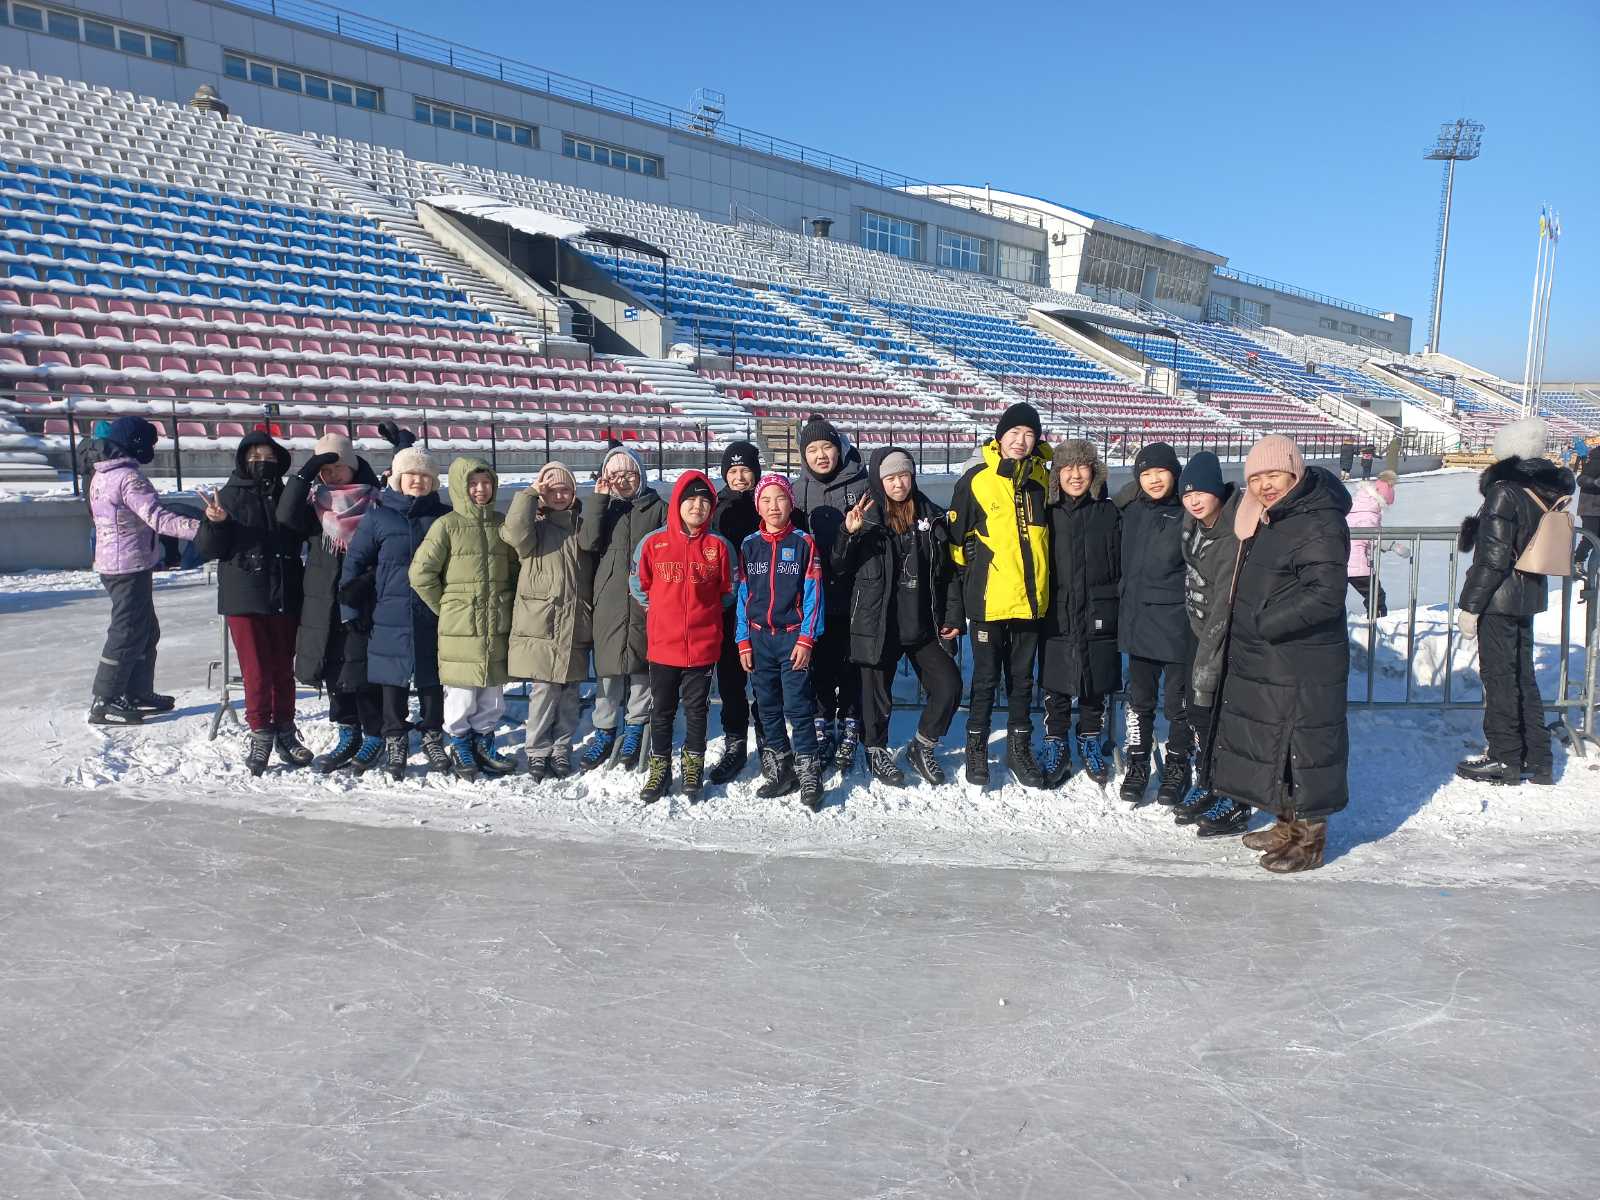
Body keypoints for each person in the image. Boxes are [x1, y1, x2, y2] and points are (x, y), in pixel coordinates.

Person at [1211, 435, 1352, 873]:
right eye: (1256, 478)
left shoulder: (1318, 520)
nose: (1265, 486)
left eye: (1273, 475)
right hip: (1275, 657)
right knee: (1278, 744)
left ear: (1295, 472)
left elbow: (1326, 594)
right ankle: (1285, 825)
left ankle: (1309, 842)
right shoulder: (1272, 518)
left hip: (1301, 658)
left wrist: (1265, 622)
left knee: (1302, 747)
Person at [1454, 418, 1574, 787]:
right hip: (1530, 593)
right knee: (1523, 676)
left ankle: (1504, 757)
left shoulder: (1505, 491)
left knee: (1500, 679)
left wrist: (1470, 606)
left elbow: (1493, 558)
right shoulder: (1546, 488)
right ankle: (1538, 759)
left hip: (1500, 598)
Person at [833, 446, 963, 787]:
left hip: (922, 625)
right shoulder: (865, 517)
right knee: (876, 697)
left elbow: (947, 573)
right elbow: (839, 567)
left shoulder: (931, 515)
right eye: (890, 477)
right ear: (879, 479)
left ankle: (922, 745)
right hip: (879, 625)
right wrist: (849, 533)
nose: (898, 483)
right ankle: (875, 749)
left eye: (903, 475)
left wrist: (952, 615)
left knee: (949, 685)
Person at [947, 402, 1051, 787]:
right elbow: (955, 543)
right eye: (1014, 434)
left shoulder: (1043, 480)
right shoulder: (977, 479)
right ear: (1000, 437)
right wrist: (971, 564)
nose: (1021, 441)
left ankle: (1018, 748)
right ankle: (976, 748)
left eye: (1029, 435)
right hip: (990, 599)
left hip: (1031, 600)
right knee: (986, 678)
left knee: (1022, 679)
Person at [195, 429, 310, 776]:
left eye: (269, 458)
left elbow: (305, 532)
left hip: (287, 591)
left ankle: (286, 731)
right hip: (245, 596)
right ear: (243, 460)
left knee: (282, 670)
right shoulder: (227, 497)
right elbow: (208, 549)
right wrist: (215, 524)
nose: (262, 463)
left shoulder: (288, 495)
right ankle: (260, 732)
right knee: (256, 672)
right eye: (255, 457)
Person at [275, 432, 385, 774]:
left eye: (338, 467)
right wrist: (307, 471)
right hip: (322, 602)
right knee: (334, 670)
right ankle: (347, 732)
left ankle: (374, 734)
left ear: (352, 465)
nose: (331, 474)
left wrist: (365, 582)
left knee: (363, 668)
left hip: (365, 599)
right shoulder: (314, 504)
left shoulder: (376, 500)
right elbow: (284, 514)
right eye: (325, 468)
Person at [340, 446, 451, 781]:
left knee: (433, 677)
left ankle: (432, 734)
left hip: (432, 611)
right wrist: (349, 608)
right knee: (393, 679)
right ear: (398, 479)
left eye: (425, 476)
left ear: (433, 481)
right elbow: (354, 563)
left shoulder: (444, 517)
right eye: (411, 475)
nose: (418, 481)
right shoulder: (378, 516)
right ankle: (395, 737)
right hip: (390, 610)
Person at [85, 416, 202, 725]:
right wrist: (202, 530)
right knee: (126, 632)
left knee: (146, 630)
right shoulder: (129, 478)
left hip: (118, 563)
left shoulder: (103, 474)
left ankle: (137, 691)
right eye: (149, 443)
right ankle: (106, 698)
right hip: (128, 566)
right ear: (135, 443)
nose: (151, 449)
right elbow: (158, 518)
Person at [629, 471, 737, 803]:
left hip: (702, 647)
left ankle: (693, 763)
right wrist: (657, 610)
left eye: (705, 500)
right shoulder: (654, 542)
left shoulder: (719, 546)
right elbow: (638, 583)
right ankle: (659, 767)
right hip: (663, 645)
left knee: (696, 709)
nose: (697, 506)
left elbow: (729, 590)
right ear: (677, 502)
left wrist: (706, 616)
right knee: (661, 709)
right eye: (690, 499)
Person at [409, 457, 518, 782]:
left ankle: (484, 742)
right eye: (473, 483)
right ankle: (460, 744)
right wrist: (447, 608)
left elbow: (514, 570)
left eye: (486, 482)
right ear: (460, 486)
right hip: (461, 627)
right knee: (463, 694)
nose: (481, 489)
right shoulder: (447, 525)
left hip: (496, 625)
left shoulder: (502, 524)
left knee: (492, 693)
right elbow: (420, 573)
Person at [1169, 451, 1249, 835]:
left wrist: (1207, 660)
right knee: (1201, 715)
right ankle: (1211, 782)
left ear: (1218, 490)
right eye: (1187, 494)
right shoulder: (1195, 523)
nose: (1193, 499)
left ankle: (1234, 797)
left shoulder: (1234, 531)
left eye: (1201, 492)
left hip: (1224, 639)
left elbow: (1224, 604)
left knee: (1222, 716)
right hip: (1196, 629)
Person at [736, 474, 826, 810]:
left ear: (791, 502)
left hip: (792, 640)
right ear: (758, 505)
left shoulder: (804, 543)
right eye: (767, 500)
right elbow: (743, 595)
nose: (774, 507)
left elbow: (815, 594)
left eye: (781, 499)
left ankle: (808, 768)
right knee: (767, 707)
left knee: (799, 706)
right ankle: (782, 767)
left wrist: (806, 638)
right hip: (759, 640)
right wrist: (742, 639)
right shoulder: (748, 545)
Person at [1036, 439, 1120, 788]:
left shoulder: (1110, 512)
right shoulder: (1048, 512)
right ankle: (1055, 741)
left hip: (1099, 606)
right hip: (1057, 607)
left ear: (1094, 472)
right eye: (1067, 468)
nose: (1075, 475)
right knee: (1056, 680)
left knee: (1094, 679)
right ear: (1057, 475)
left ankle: (1089, 737)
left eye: (1082, 467)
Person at [502, 462, 593, 782]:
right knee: (544, 691)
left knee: (569, 693)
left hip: (576, 621)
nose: (558, 495)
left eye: (565, 489)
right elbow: (513, 533)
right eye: (552, 489)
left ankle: (561, 748)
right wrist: (529, 495)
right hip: (544, 623)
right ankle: (537, 750)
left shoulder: (581, 526)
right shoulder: (535, 528)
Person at [1113, 441, 1193, 806]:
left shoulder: (1188, 512)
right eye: (1145, 474)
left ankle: (1178, 764)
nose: (1154, 480)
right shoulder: (1130, 512)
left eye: (1160, 472)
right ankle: (1139, 762)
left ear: (1175, 473)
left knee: (1178, 705)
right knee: (1140, 700)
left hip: (1177, 624)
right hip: (1139, 621)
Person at [578, 446, 665, 771]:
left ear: (640, 475)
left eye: (629, 474)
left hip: (646, 599)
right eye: (615, 475)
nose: (623, 480)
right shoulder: (605, 508)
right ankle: (604, 728)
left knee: (642, 664)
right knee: (608, 668)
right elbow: (587, 542)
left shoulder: (658, 508)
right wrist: (599, 500)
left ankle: (635, 724)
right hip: (610, 600)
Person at [792, 414, 869, 774]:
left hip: (854, 591)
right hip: (814, 595)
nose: (821, 455)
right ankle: (822, 722)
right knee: (821, 665)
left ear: (839, 448)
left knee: (851, 663)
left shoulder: (862, 482)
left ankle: (850, 722)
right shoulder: (797, 489)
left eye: (827, 446)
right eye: (812, 449)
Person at [709, 440, 764, 783]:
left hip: (765, 607)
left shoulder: (768, 503)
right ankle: (735, 742)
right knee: (731, 679)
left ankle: (770, 740)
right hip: (728, 607)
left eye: (746, 470)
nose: (740, 477)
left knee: (764, 679)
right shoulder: (714, 507)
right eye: (733, 471)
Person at [1345, 471, 1405, 618]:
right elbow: (1370, 535)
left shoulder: (1356, 509)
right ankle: (1375, 625)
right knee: (1376, 597)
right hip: (1357, 565)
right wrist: (1393, 546)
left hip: (1343, 562)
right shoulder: (1367, 515)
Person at [1576, 443, 1600, 583]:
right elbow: (1581, 479)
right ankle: (1577, 563)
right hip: (1591, 506)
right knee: (1590, 538)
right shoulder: (1597, 459)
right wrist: (1596, 482)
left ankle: (1594, 566)